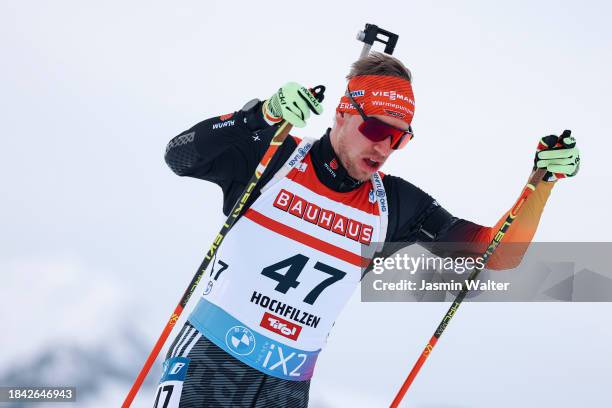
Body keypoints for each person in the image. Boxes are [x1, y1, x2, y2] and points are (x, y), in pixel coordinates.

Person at [154, 52, 580, 407]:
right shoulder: (272, 158)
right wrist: (258, 117)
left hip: (287, 385)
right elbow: (179, 157)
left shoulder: (395, 203)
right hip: (209, 363)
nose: (384, 147)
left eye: (399, 139)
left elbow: (497, 255)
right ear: (342, 114)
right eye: (376, 129)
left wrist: (539, 184)